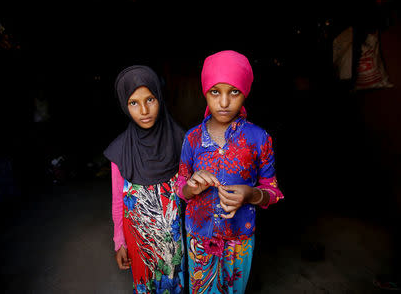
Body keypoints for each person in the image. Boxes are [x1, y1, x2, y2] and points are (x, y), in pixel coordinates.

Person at [174, 50, 284, 293]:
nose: (224, 102)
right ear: (205, 93)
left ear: (245, 92)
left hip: (240, 241)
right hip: (199, 239)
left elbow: (273, 192)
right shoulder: (192, 139)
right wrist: (190, 187)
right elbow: (180, 187)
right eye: (215, 92)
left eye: (234, 91)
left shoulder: (259, 139)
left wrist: (252, 194)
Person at [104, 65, 186, 293]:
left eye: (149, 99)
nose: (143, 110)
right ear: (124, 105)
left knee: (174, 284)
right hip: (139, 243)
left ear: (159, 96)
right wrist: (119, 242)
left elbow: (189, 192)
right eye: (133, 103)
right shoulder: (120, 151)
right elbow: (118, 202)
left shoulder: (180, 140)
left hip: (174, 242)